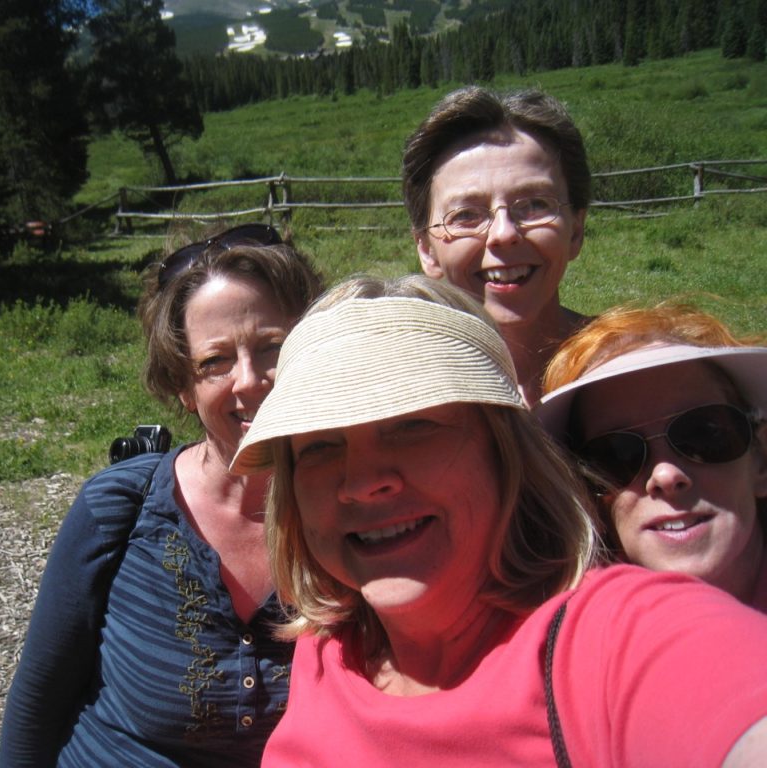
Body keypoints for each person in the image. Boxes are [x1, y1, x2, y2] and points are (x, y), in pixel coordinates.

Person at [229, 274, 767, 766]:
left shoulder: (607, 639)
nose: (361, 481)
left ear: (504, 452)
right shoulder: (327, 647)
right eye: (320, 445)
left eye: (413, 425)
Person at [0, 223, 323, 767]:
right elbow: (38, 701)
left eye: (273, 346)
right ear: (182, 386)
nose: (249, 380)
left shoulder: (359, 514)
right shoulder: (120, 507)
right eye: (215, 361)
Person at [536, 302, 767, 610]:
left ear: (761, 460)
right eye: (616, 456)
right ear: (588, 500)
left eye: (703, 435)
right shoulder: (567, 635)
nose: (666, 476)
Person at [402, 86, 590, 405]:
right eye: (466, 215)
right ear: (426, 250)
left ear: (575, 230)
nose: (503, 233)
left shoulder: (633, 370)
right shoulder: (403, 393)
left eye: (534, 205)